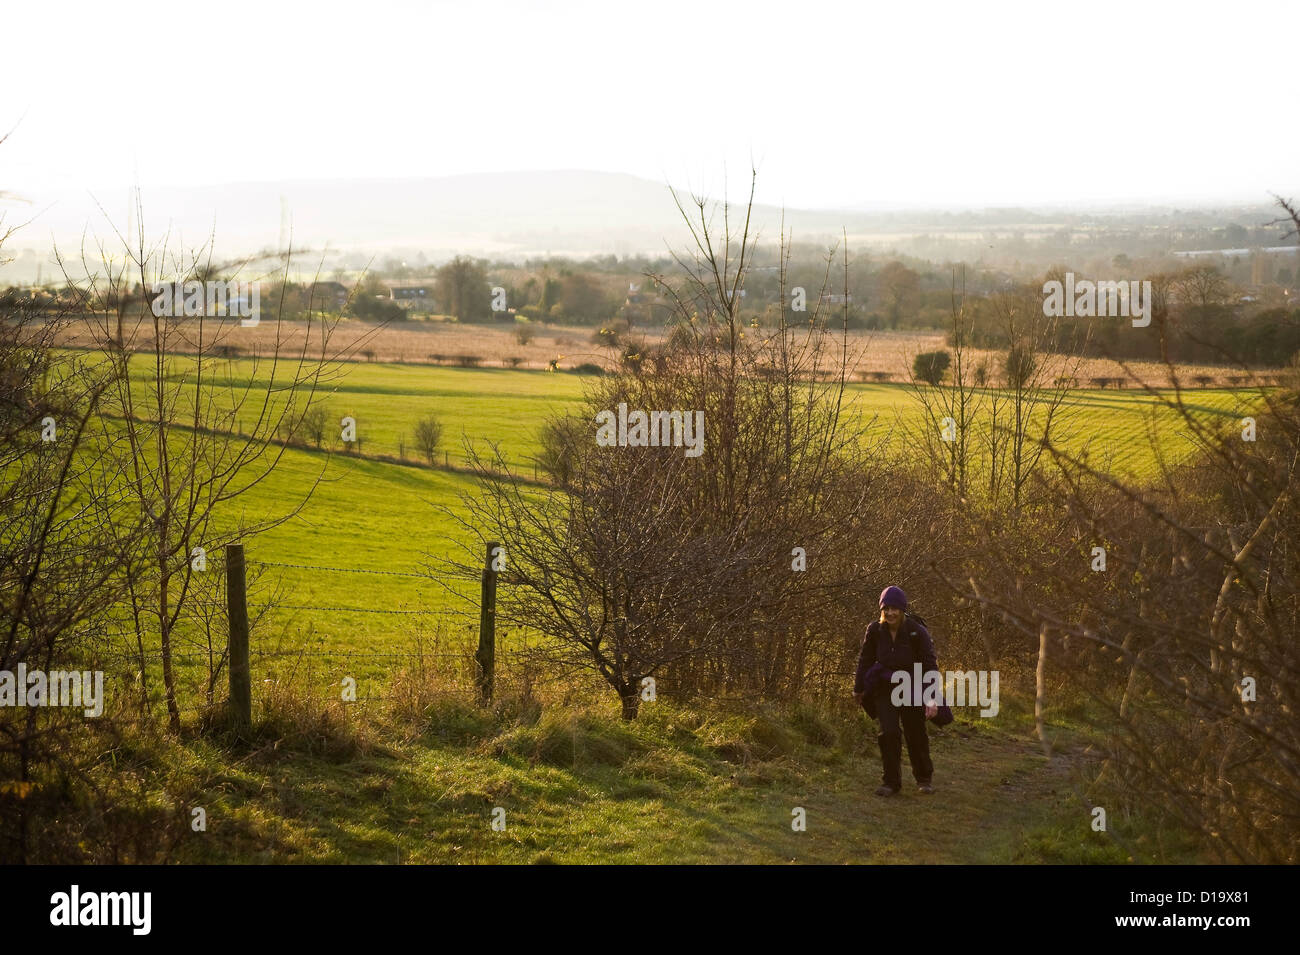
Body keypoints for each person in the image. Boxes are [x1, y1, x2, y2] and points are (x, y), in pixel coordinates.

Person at [853, 585, 938, 796]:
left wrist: (931, 697)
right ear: (882, 609)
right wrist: (858, 688)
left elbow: (929, 664)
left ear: (903, 609)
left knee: (915, 733)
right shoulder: (874, 630)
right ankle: (891, 782)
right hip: (885, 688)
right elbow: (865, 659)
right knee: (888, 732)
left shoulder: (917, 632)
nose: (890, 613)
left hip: (911, 687)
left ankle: (924, 777)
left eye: (895, 609)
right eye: (886, 608)